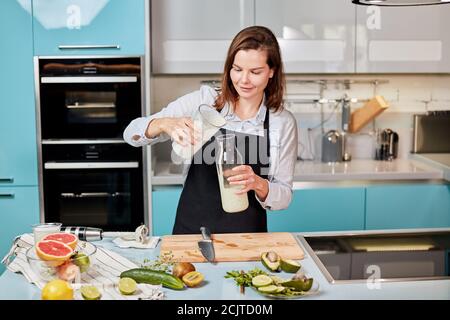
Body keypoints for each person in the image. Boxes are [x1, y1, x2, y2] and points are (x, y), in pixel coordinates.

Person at [124, 26, 298, 235]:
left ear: (272, 71)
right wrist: (164, 124)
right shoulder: (204, 101)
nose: (243, 80)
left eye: (255, 72)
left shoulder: (282, 123)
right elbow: (131, 133)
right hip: (191, 231)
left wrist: (259, 184)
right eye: (237, 69)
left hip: (248, 237)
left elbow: (284, 195)